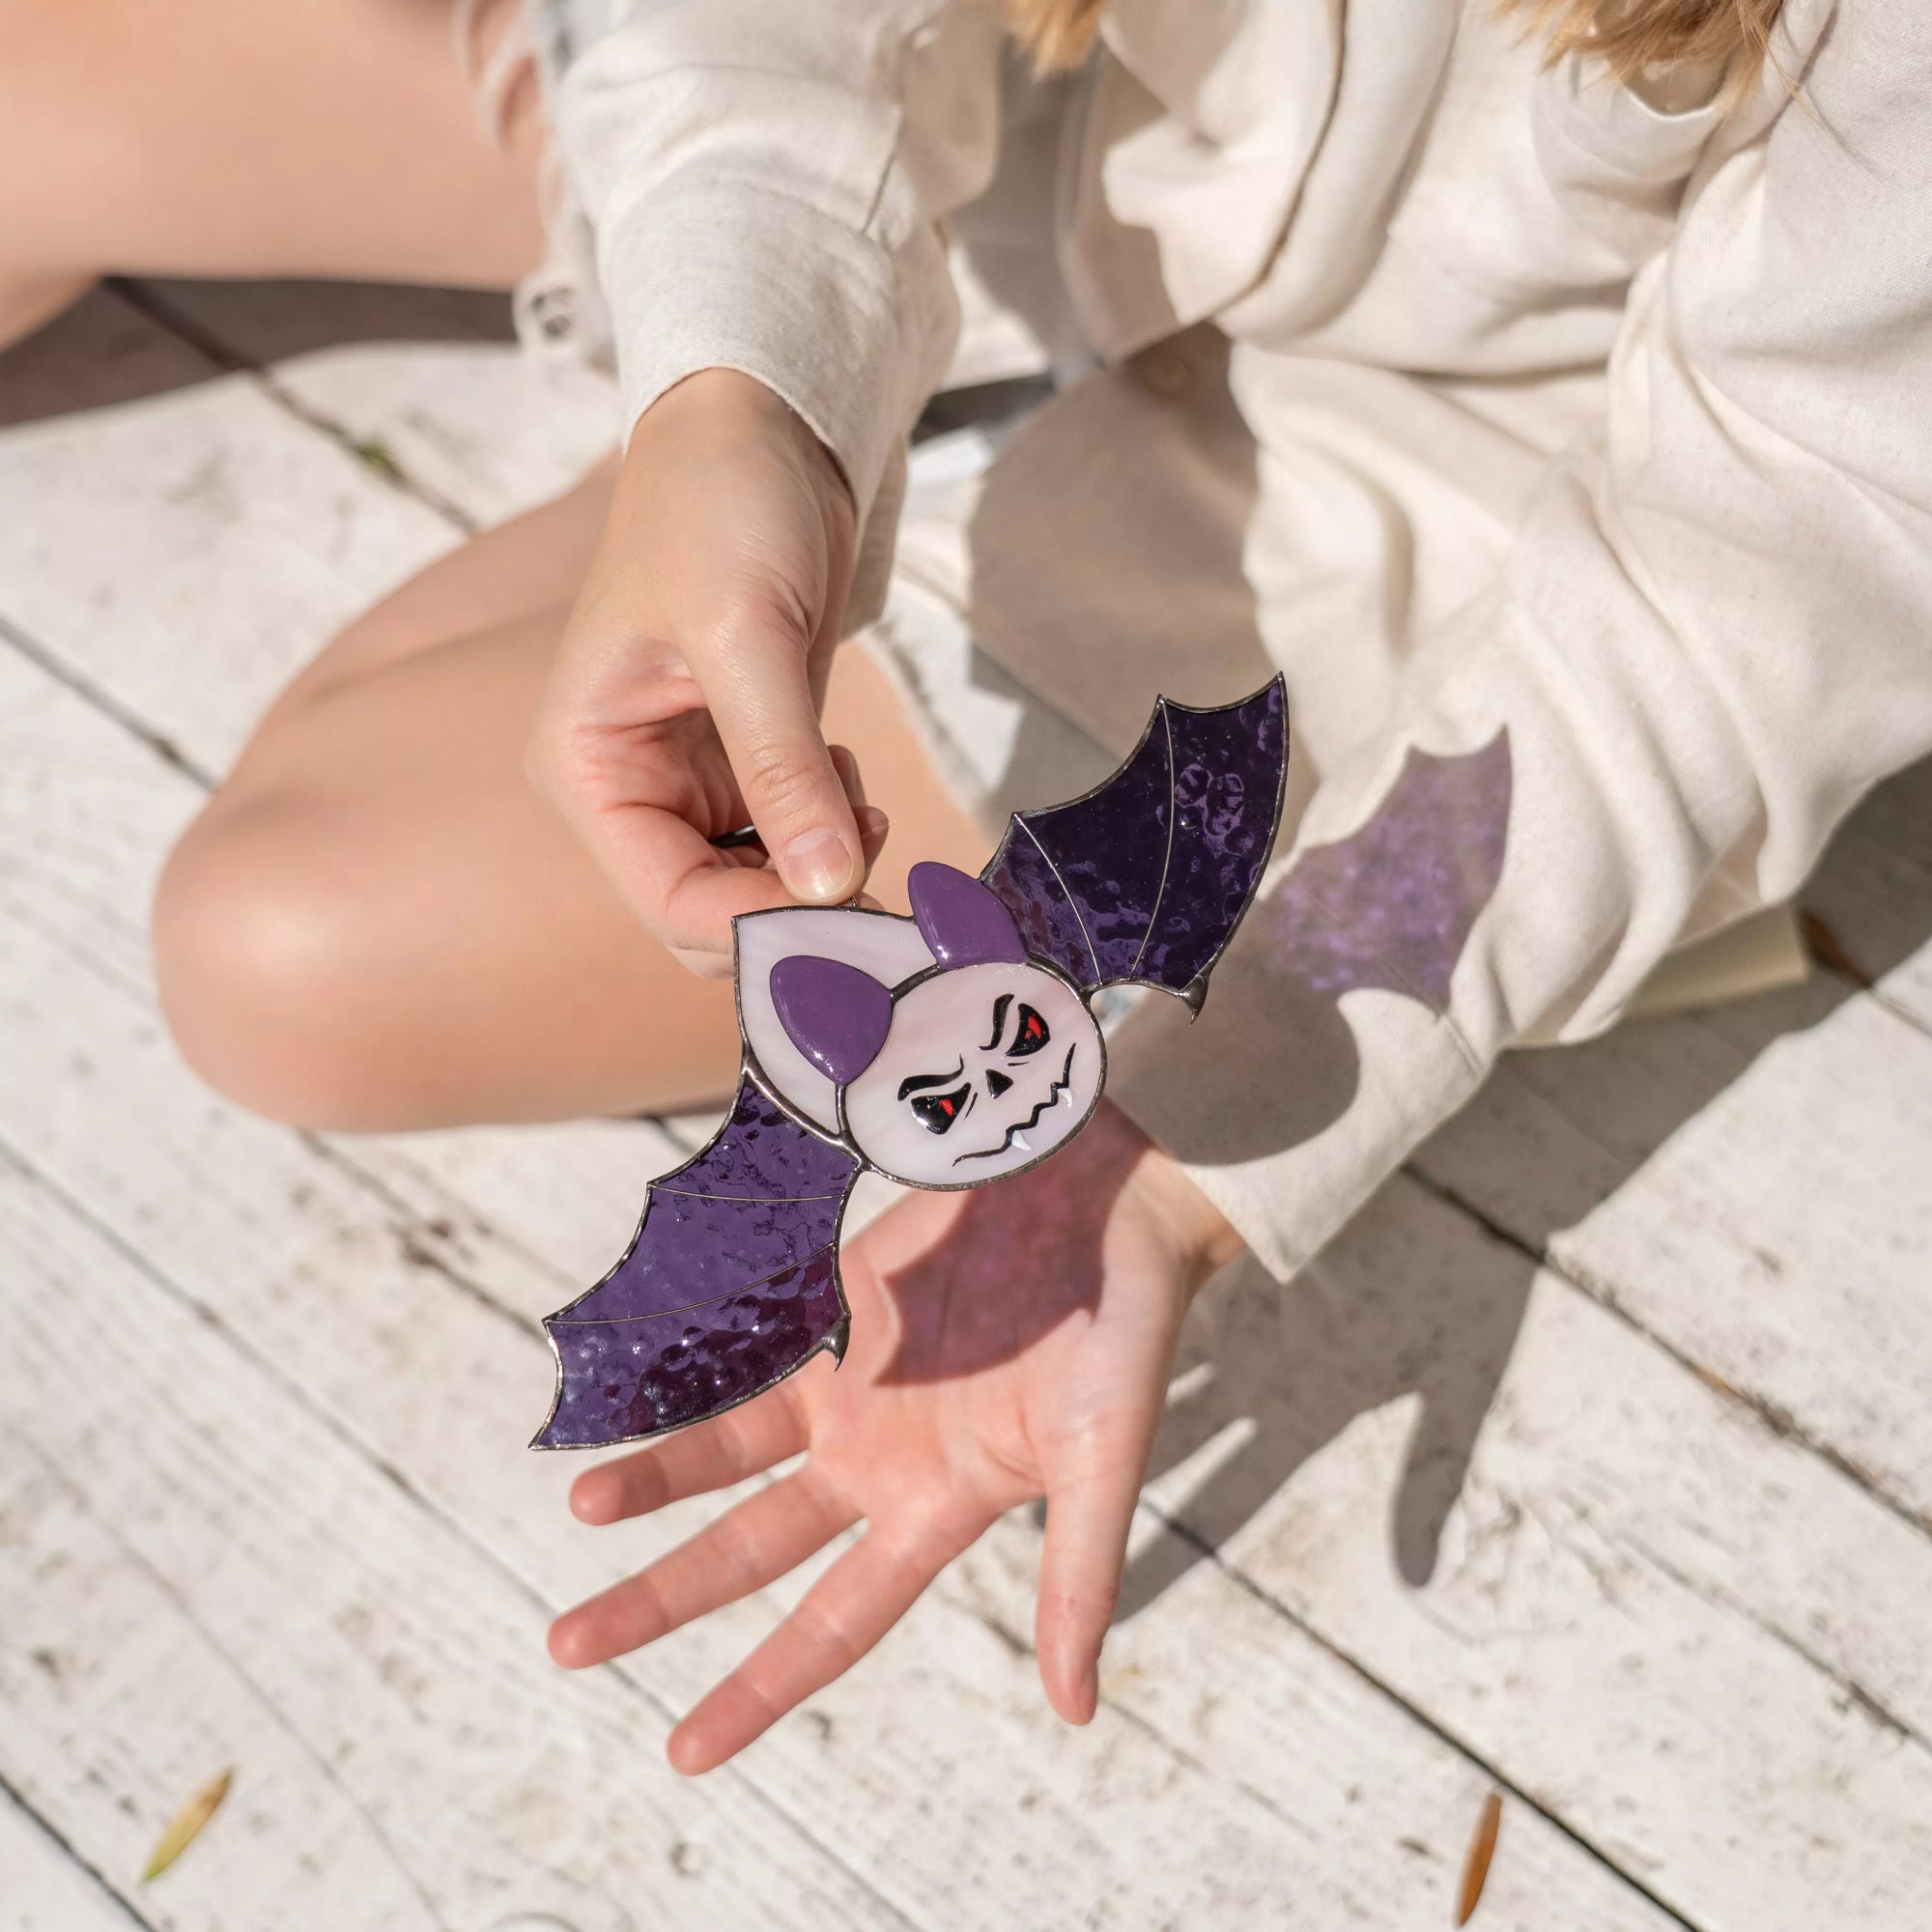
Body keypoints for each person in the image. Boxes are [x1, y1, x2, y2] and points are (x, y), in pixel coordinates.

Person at [7, 0, 1928, 1774]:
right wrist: (735, 387)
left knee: (281, 944)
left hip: (1453, 512)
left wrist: (1200, 1117)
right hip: (1026, 105)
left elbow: (1780, 537)